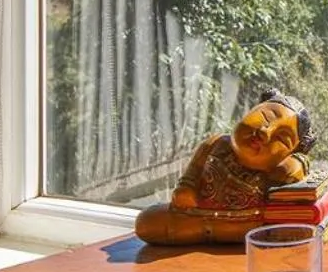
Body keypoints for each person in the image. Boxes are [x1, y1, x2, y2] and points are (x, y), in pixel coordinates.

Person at [134, 89, 318, 245]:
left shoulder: (281, 166)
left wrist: (298, 160)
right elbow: (193, 171)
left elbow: (294, 172)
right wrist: (186, 187)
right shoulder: (217, 143)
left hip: (250, 228)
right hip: (197, 217)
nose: (265, 131)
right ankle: (204, 231)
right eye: (265, 117)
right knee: (146, 223)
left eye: (282, 139)